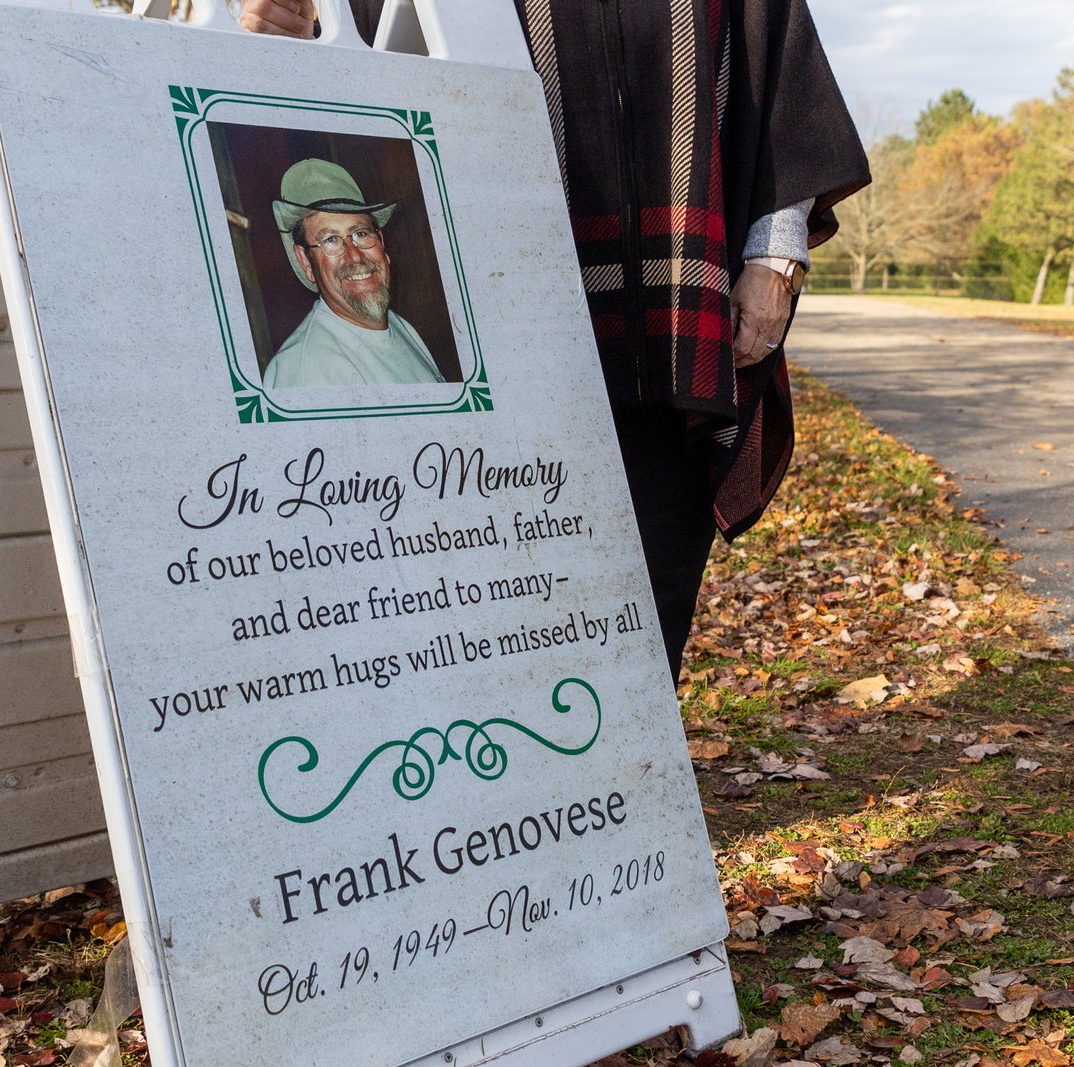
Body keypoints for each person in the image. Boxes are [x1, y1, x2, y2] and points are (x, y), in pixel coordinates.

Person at [239, 0, 870, 681]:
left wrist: (775, 258)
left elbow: (776, 69)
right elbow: (369, 50)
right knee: (499, 584)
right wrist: (299, 35)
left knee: (656, 578)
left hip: (675, 315)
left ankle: (628, 770)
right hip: (507, 312)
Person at [264, 158, 446, 390]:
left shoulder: (399, 327)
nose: (355, 256)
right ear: (306, 263)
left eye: (361, 234)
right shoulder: (305, 372)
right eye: (330, 240)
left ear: (381, 243)